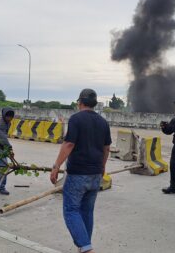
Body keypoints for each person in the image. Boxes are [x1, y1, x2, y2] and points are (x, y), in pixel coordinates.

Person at [50, 89, 111, 253]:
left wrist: (56, 166)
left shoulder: (76, 119)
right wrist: (103, 167)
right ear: (95, 103)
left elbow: (69, 144)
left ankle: (86, 248)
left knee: (71, 210)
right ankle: (85, 246)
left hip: (78, 174)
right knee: (87, 211)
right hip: (96, 174)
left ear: (80, 102)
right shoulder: (103, 122)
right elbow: (106, 148)